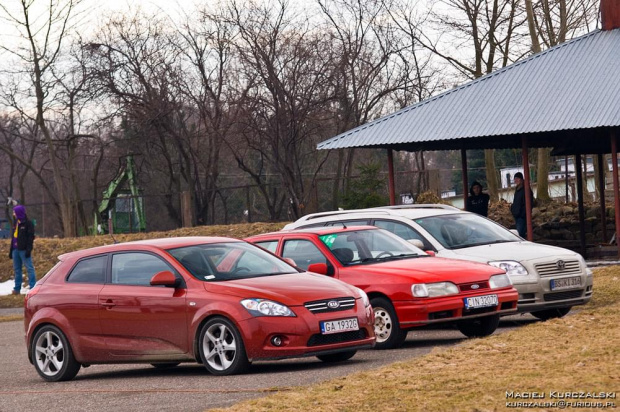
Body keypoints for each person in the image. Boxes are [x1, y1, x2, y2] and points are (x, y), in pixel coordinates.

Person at [8, 205, 36, 295]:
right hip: (15, 250)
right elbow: (13, 238)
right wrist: (11, 250)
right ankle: (17, 288)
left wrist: (28, 249)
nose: (13, 214)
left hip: (24, 250)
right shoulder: (16, 223)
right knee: (17, 270)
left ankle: (33, 287)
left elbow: (30, 237)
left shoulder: (28, 223)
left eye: (14, 212)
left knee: (29, 268)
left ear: (18, 213)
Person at [510, 172, 533, 238]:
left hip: (522, 216)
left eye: (517, 178)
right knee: (519, 234)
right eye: (515, 179)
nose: (516, 180)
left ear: (521, 179)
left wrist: (522, 214)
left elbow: (529, 203)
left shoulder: (526, 190)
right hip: (517, 215)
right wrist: (512, 209)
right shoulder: (517, 189)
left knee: (519, 234)